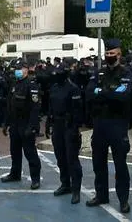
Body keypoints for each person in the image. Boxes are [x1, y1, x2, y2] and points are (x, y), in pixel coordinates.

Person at [85, 39, 132, 213]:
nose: (109, 57)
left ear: (119, 54)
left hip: (118, 124)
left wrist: (102, 92)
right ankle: (101, 194)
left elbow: (124, 96)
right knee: (98, 163)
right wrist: (111, 93)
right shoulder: (98, 73)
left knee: (120, 164)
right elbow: (89, 93)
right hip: (100, 124)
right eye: (107, 54)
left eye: (112, 54)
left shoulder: (126, 73)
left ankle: (123, 200)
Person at [1, 59, 41, 189]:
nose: (17, 70)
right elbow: (9, 105)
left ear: (26, 69)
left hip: (26, 123)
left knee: (30, 152)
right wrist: (6, 123)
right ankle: (15, 173)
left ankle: (35, 179)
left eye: (19, 68)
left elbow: (35, 109)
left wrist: (32, 127)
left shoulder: (31, 85)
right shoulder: (15, 84)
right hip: (15, 123)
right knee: (15, 151)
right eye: (16, 68)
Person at [48, 63, 83, 204]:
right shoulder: (54, 88)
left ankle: (76, 190)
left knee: (72, 159)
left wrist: (75, 127)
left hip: (69, 125)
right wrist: (49, 123)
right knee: (60, 156)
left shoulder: (73, 89)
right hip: (57, 125)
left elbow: (78, 110)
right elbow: (51, 106)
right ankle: (65, 184)